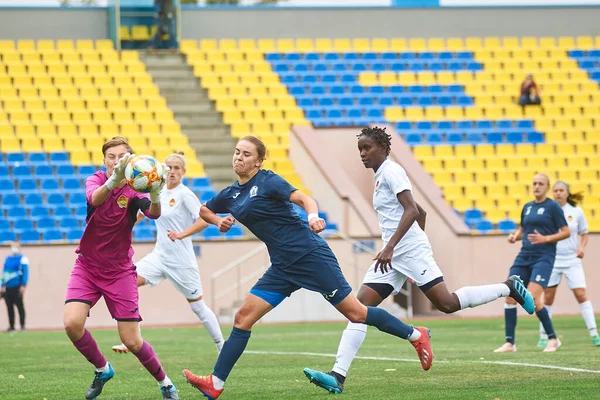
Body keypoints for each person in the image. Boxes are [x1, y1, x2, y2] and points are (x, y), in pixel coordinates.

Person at [182, 135, 435, 400]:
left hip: (310, 255)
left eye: (246, 154)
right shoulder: (231, 194)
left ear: (258, 161)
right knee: (242, 318)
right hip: (282, 266)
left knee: (357, 313)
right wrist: (218, 221)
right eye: (237, 152)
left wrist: (313, 218)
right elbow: (204, 210)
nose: (239, 157)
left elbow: (305, 200)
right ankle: (216, 383)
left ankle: (416, 335)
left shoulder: (268, 181)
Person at [302, 126, 535, 394]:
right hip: (396, 253)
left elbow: (412, 209)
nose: (363, 154)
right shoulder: (380, 177)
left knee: (446, 304)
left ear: (384, 148)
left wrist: (401, 248)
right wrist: (398, 249)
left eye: (367, 148)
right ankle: (338, 375)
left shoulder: (392, 171)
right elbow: (420, 212)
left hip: (405, 250)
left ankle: (509, 286)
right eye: (360, 150)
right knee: (358, 310)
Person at [62, 137, 179, 399]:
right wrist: (112, 180)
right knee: (71, 323)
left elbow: (154, 214)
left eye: (121, 156)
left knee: (131, 341)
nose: (116, 161)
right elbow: (95, 197)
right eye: (111, 156)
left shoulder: (135, 189)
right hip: (87, 267)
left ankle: (166, 384)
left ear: (131, 160)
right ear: (104, 160)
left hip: (119, 272)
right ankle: (102, 369)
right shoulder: (95, 180)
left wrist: (156, 193)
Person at [111, 151, 224, 354]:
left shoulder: (185, 194)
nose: (172, 171)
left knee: (198, 307)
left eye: (177, 168)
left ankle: (221, 346)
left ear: (183, 172)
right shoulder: (158, 190)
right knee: (127, 282)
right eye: (169, 167)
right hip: (159, 256)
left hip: (182, 261)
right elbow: (142, 214)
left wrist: (182, 234)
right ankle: (133, 338)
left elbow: (204, 218)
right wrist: (122, 229)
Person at [494, 173, 570, 353]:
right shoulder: (527, 207)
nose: (536, 186)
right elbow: (523, 229)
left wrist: (546, 238)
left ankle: (553, 339)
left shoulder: (553, 207)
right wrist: (515, 236)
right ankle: (510, 343)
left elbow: (566, 232)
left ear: (546, 186)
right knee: (510, 295)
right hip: (524, 256)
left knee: (533, 299)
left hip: (543, 257)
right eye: (534, 183)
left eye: (540, 184)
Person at [538, 182, 599, 347]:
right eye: (555, 191)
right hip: (553, 259)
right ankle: (544, 336)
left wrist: (581, 247)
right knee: (548, 297)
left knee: (581, 295)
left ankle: (594, 334)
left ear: (567, 193)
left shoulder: (576, 212)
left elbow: (584, 234)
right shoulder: (548, 210)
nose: (558, 193)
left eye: (561, 190)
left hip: (572, 259)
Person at [1, 241, 28, 333]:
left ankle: (22, 326)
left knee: (20, 306)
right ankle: (11, 326)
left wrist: (23, 285)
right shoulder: (7, 259)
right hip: (8, 287)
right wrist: (2, 285)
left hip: (17, 286)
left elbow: (25, 273)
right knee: (9, 307)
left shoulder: (23, 259)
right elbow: (4, 273)